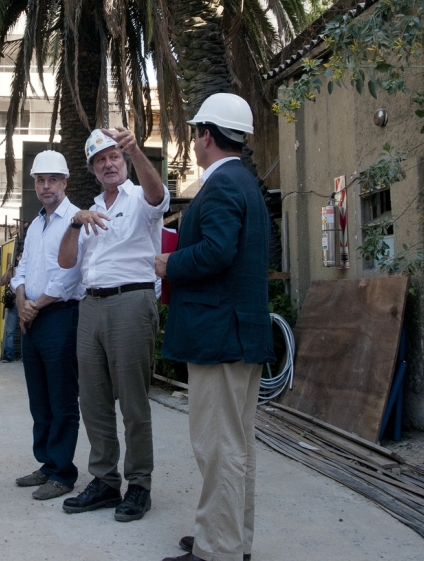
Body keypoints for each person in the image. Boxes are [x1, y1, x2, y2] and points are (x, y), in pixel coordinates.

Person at [154, 94, 273, 561]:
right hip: (240, 334)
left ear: (206, 135)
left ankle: (216, 550)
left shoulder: (222, 185)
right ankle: (229, 541)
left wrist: (171, 263)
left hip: (219, 336)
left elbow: (217, 251)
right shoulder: (246, 183)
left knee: (218, 448)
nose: (194, 140)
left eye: (195, 132)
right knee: (235, 447)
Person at [57, 127, 169, 522]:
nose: (108, 164)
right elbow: (67, 262)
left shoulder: (140, 197)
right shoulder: (88, 211)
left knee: (133, 401)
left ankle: (139, 484)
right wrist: (75, 223)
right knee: (93, 400)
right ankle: (105, 481)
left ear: (125, 161)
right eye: (100, 160)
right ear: (92, 169)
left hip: (131, 300)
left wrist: (135, 149)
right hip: (91, 304)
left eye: (114, 157)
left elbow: (158, 195)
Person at [10, 150, 84, 501]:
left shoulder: (76, 220)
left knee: (62, 398)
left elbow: (70, 274)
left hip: (60, 317)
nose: (46, 186)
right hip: (32, 318)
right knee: (39, 398)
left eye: (53, 179)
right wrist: (21, 301)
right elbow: (21, 269)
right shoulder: (35, 225)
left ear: (65, 182)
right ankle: (47, 463)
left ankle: (63, 473)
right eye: (40, 180)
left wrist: (35, 306)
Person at [0, 249, 22, 362]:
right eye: (21, 256)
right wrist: (8, 270)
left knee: (26, 330)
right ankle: (9, 354)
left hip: (25, 303)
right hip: (13, 303)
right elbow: (1, 282)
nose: (23, 258)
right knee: (10, 331)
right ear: (17, 257)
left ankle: (24, 355)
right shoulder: (14, 270)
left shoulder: (31, 270)